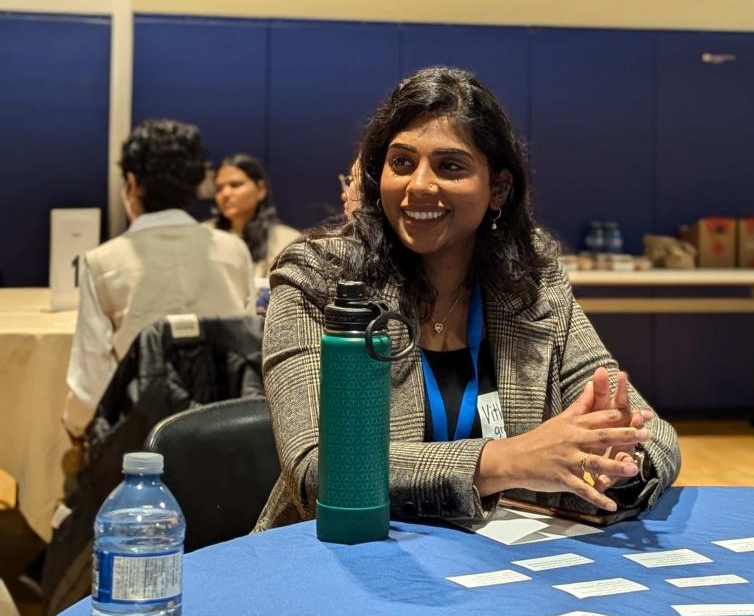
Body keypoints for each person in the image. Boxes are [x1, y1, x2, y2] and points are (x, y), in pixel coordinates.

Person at [256, 67, 679, 531]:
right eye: (402, 163)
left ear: (498, 189)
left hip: (495, 555)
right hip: (338, 550)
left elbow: (651, 432)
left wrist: (619, 460)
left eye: (450, 166)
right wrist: (506, 460)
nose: (419, 185)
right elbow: (318, 468)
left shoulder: (532, 281)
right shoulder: (318, 276)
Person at [63, 119, 256, 439]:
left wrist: (74, 426)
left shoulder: (101, 263)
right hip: (224, 438)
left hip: (140, 444)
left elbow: (90, 388)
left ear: (133, 183)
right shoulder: (234, 251)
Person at [211, 154, 299, 281]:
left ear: (261, 189)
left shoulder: (287, 241)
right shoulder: (205, 235)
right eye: (219, 188)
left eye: (235, 185)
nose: (225, 193)